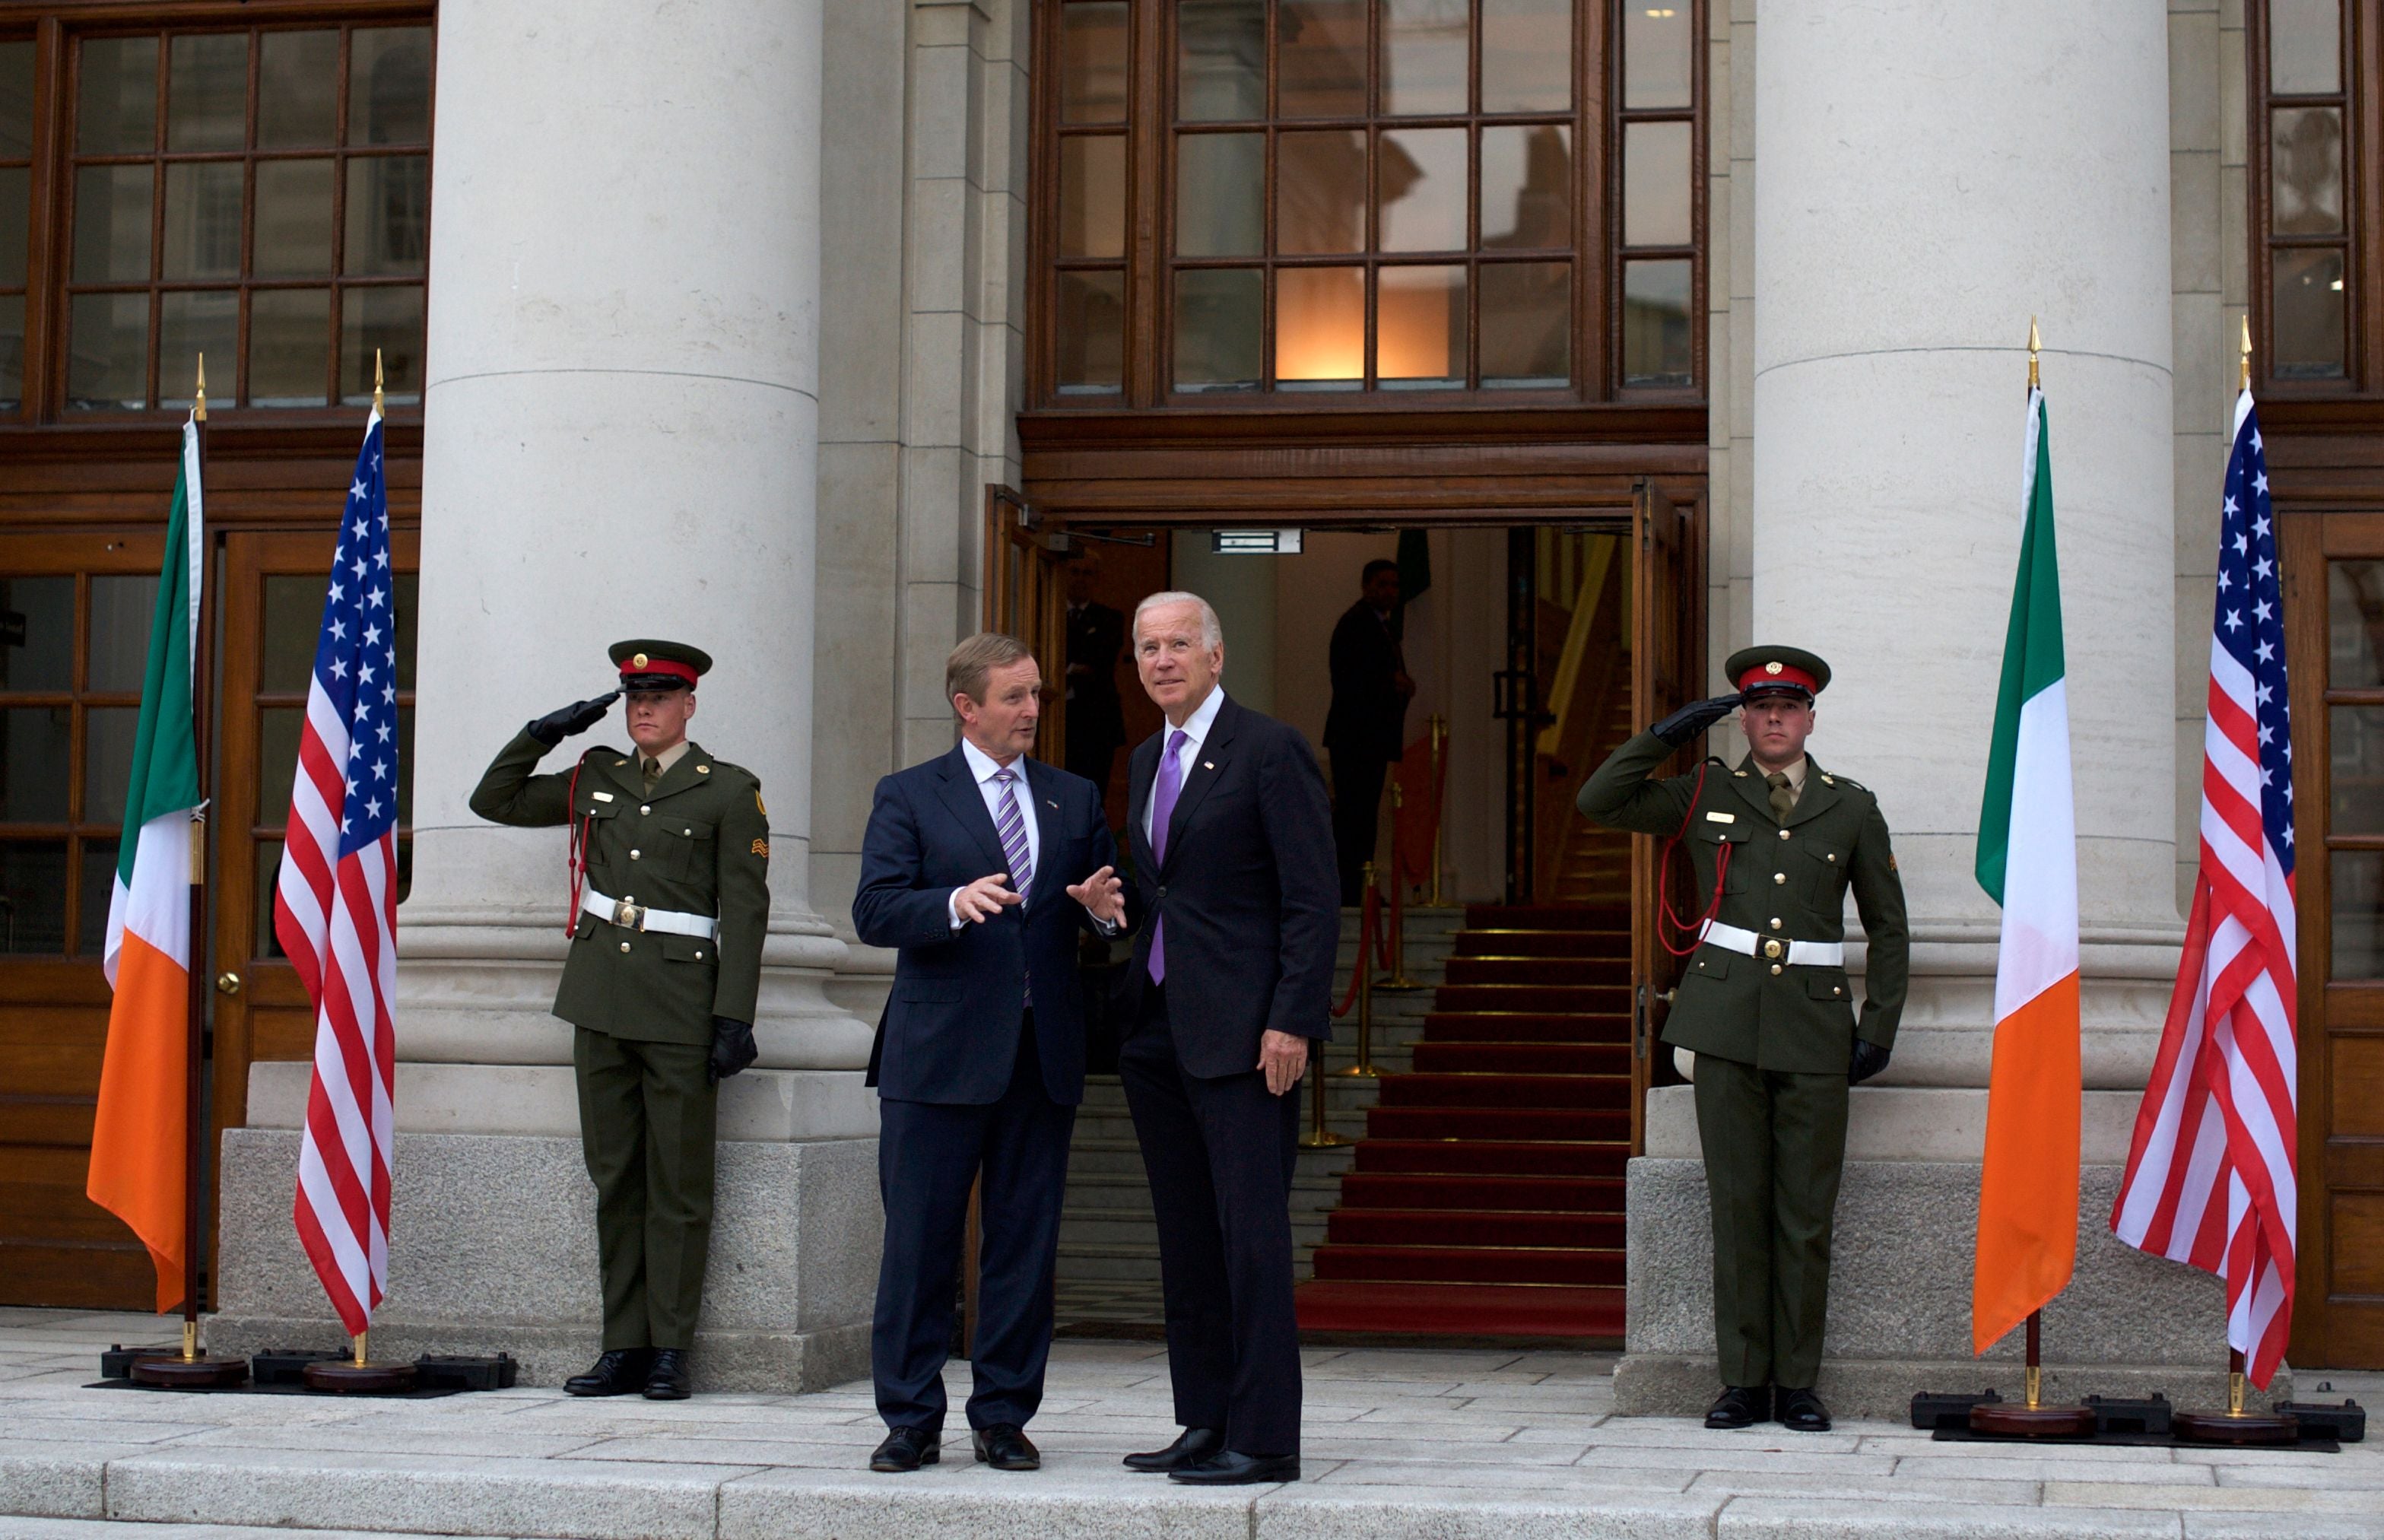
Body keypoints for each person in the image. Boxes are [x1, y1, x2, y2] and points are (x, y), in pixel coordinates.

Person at [1574, 646, 1907, 1435]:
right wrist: (1663, 735)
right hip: (1724, 1027)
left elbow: (1889, 929)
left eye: (1788, 708)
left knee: (1804, 1215)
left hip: (1817, 1031)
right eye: (1760, 709)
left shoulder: (1851, 806)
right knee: (1737, 1208)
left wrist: (1879, 1028)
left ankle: (1797, 1384)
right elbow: (1600, 800)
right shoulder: (1705, 792)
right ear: (1744, 718)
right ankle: (1740, 1382)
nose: (1774, 720)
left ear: (1810, 719)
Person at [850, 633, 1129, 1475]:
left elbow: (1110, 908)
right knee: (919, 1246)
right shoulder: (908, 795)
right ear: (967, 706)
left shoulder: (1072, 798)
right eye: (1015, 697)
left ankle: (1003, 1415)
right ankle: (910, 1418)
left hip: (1040, 1055)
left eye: (1037, 694)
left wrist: (1099, 911)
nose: (1032, 710)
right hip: (935, 1058)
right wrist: (950, 901)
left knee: (1023, 1245)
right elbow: (874, 910)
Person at [468, 640, 767, 1400]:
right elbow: (492, 800)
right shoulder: (596, 776)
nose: (644, 709)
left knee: (678, 1188)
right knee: (617, 1182)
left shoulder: (728, 791)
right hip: (599, 1000)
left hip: (679, 1008)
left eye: (660, 697)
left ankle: (670, 1350)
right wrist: (544, 732)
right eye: (634, 698)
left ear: (689, 704)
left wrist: (733, 1015)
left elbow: (746, 909)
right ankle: (622, 1346)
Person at [1111, 590, 1338, 1485]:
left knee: (1250, 1238)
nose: (1161, 660)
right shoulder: (1142, 760)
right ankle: (1203, 1419)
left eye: (1177, 644)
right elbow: (1167, 894)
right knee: (1187, 1238)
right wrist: (1106, 912)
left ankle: (1267, 1437)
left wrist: (1293, 1018)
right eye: (1147, 648)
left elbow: (1313, 899)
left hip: (1247, 1036)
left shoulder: (1270, 749)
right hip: (1159, 1032)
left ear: (1216, 655)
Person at [1322, 558, 1415, 905]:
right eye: (1383, 585)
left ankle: (1363, 887)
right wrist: (1392, 682)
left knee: (1363, 816)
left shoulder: (1380, 626)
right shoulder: (1356, 624)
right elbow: (1350, 678)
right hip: (1356, 739)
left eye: (1394, 585)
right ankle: (1352, 890)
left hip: (1370, 739)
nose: (1390, 592)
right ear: (1366, 587)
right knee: (1354, 816)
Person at [1064, 560, 1128, 796]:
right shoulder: (1044, 613)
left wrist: (1064, 668)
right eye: (1075, 571)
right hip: (1057, 719)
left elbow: (1101, 660)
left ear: (1096, 579)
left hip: (1097, 721)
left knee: (1095, 791)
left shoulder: (1110, 618)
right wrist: (1073, 668)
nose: (1080, 578)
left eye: (1087, 573)